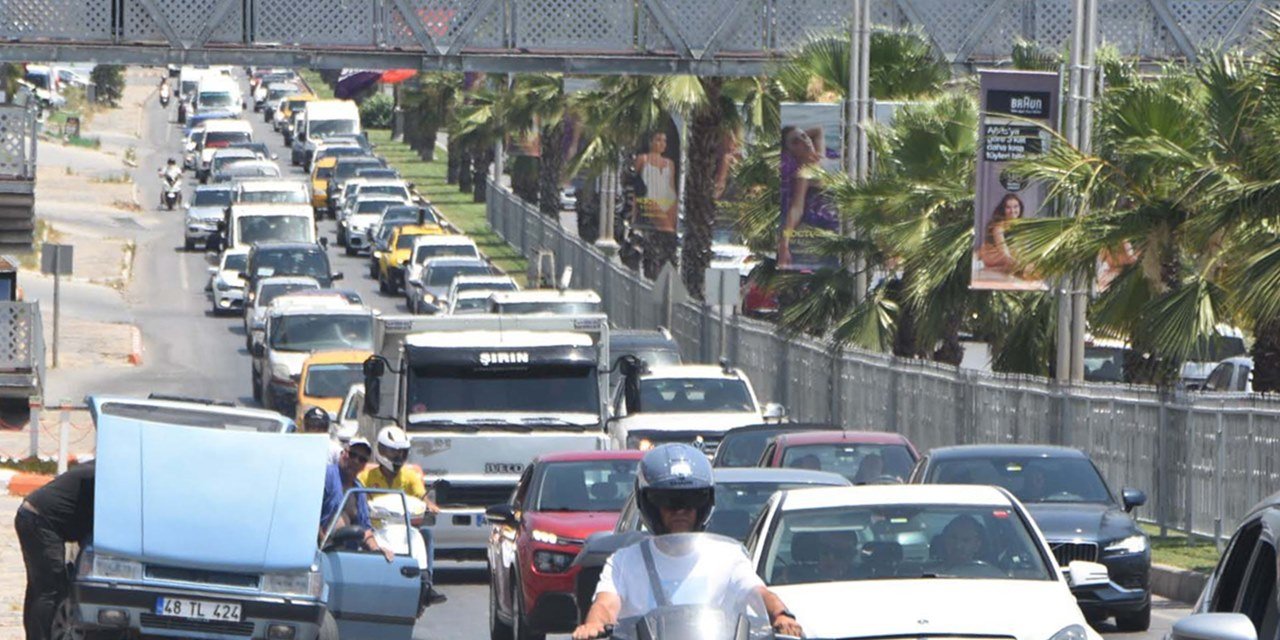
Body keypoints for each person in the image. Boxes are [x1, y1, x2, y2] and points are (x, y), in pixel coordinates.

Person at [572, 444, 803, 640]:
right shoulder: (624, 561)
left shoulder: (728, 556)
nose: (680, 510)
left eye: (691, 501)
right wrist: (594, 625)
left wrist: (779, 614)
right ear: (650, 505)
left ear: (704, 504)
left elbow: (755, 591)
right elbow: (606, 604)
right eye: (669, 501)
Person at [358, 426, 446, 605]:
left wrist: (430, 506)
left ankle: (426, 582)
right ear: (381, 450)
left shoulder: (410, 476)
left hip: (405, 530)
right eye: (392, 452)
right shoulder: (366, 477)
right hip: (376, 530)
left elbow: (422, 497)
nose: (397, 457)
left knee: (427, 536)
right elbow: (357, 498)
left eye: (401, 453)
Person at [15, 461, 95, 640]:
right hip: (40, 521)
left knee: (39, 588)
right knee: (51, 589)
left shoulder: (95, 468)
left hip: (30, 515)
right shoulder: (101, 477)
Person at [320, 438, 393, 562]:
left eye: (362, 459)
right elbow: (310, 515)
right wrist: (323, 546)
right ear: (343, 453)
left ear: (364, 465)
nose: (355, 461)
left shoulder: (359, 490)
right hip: (323, 555)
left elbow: (365, 529)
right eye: (352, 455)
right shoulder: (326, 475)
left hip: (348, 558)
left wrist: (376, 549)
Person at [779, 125, 839, 270]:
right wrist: (784, 244)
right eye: (795, 142)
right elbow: (796, 209)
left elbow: (818, 130)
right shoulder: (804, 173)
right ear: (790, 151)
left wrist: (799, 138)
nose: (804, 141)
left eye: (804, 136)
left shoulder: (821, 154)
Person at [633, 131, 678, 233]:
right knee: (667, 229)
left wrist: (676, 204)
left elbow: (672, 185)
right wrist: (634, 210)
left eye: (664, 141)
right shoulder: (642, 159)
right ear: (651, 142)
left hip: (669, 200)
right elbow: (635, 183)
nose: (662, 144)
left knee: (670, 232)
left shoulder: (670, 163)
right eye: (658, 140)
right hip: (651, 199)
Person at [978, 194, 1025, 276]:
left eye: (1016, 207)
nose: (1012, 211)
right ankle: (992, 269)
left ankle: (1000, 269)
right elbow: (1004, 252)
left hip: (1007, 256)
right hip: (993, 255)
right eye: (1008, 207)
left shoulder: (1019, 225)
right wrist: (1019, 265)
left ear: (1020, 208)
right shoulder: (998, 227)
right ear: (1003, 210)